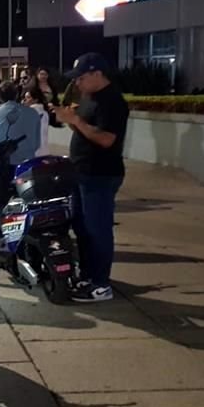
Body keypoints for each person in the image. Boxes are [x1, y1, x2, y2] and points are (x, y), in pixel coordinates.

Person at [53, 54, 130, 303]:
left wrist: (75, 120)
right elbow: (87, 131)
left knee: (98, 230)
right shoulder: (90, 98)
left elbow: (106, 139)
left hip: (100, 174)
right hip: (82, 171)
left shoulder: (113, 102)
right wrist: (71, 121)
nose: (77, 84)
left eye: (82, 78)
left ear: (98, 74)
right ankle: (88, 275)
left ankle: (101, 284)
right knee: (82, 228)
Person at [0, 81, 41, 166]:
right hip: (26, 166)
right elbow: (36, 143)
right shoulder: (33, 114)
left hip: (1, 167)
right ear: (16, 95)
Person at [23, 87, 50, 157]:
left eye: (28, 97)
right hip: (44, 151)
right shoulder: (45, 113)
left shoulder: (28, 113)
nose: (25, 100)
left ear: (36, 99)